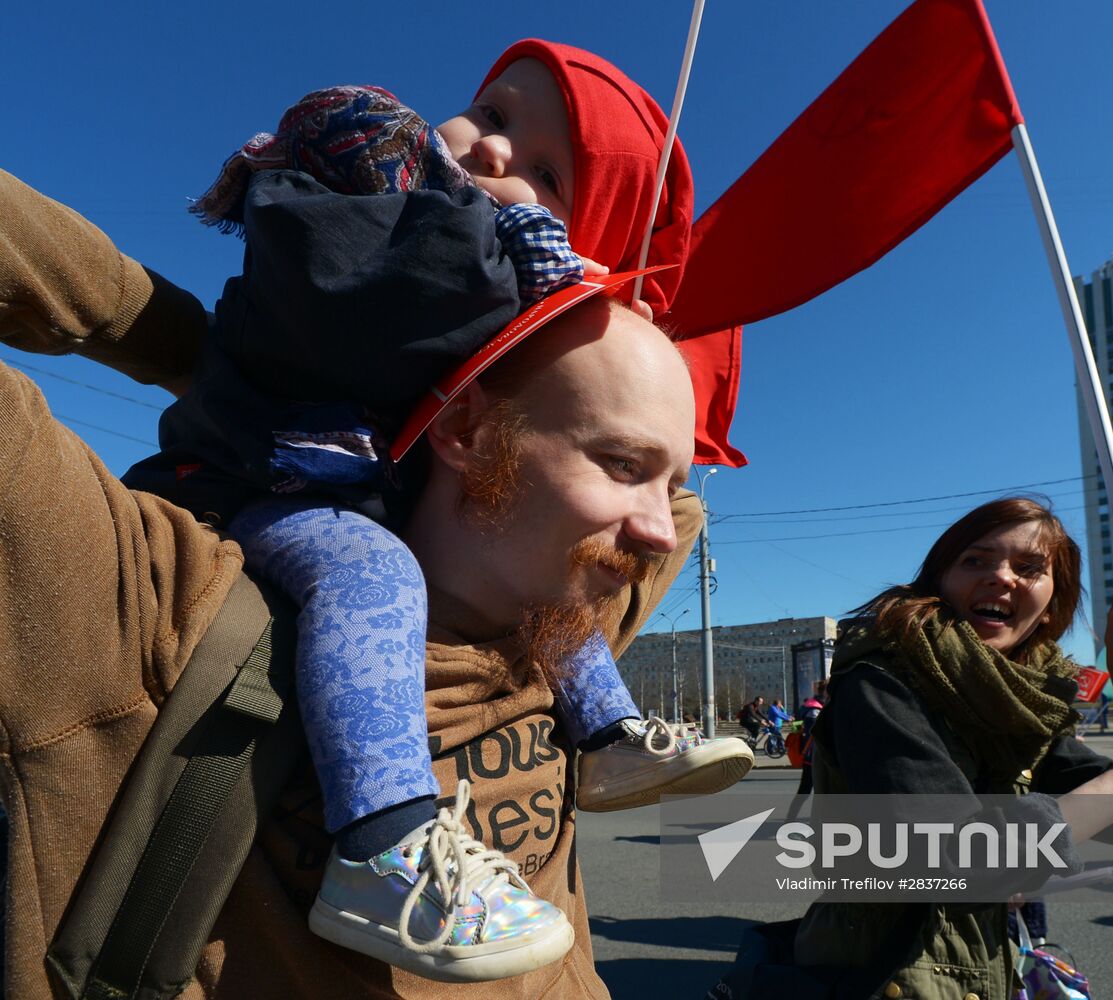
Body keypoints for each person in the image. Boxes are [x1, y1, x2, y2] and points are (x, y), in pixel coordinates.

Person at [0, 53, 720, 994]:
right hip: (271, 501)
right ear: (465, 428)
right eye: (490, 109)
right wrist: (184, 350)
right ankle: (382, 846)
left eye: (550, 173)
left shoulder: (575, 593)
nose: (657, 532)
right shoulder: (153, 601)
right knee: (369, 572)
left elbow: (682, 475)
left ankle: (613, 741)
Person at [790, 497, 1113, 998]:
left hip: (979, 968)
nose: (1001, 577)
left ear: (1053, 606)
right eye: (976, 560)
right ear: (939, 581)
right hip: (881, 973)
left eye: (1029, 568)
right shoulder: (881, 681)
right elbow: (953, 856)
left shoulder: (1021, 698)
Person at [795, 679, 827, 798]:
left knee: (807, 791)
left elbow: (798, 723)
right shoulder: (816, 709)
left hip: (813, 754)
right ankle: (791, 816)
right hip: (815, 754)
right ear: (825, 692)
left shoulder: (810, 705)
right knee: (806, 791)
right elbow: (817, 731)